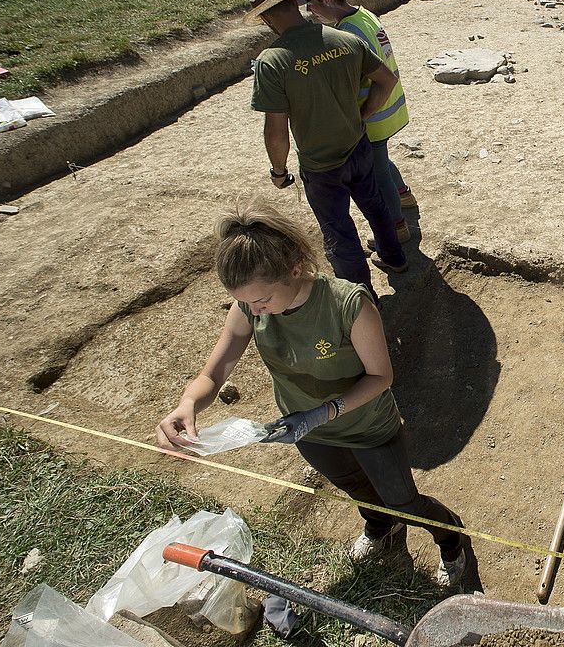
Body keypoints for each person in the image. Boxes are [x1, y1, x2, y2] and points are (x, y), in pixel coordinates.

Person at [154, 205, 469, 587]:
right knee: (356, 489)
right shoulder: (249, 309)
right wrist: (188, 403)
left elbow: (381, 376)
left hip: (367, 428)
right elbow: (214, 373)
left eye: (262, 300)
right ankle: (380, 527)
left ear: (295, 270)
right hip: (308, 433)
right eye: (247, 304)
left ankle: (452, 538)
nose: (255, 312)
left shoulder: (349, 305)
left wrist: (323, 412)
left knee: (405, 503)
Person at [244, 0, 408, 283]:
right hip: (358, 147)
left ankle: (361, 300)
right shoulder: (345, 39)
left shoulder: (272, 62)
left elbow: (276, 132)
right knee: (376, 207)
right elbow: (387, 80)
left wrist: (278, 172)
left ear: (265, 18)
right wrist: (362, 115)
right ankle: (395, 258)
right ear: (295, 0)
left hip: (321, 165)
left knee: (339, 231)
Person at [298, 0, 417, 253]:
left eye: (311, 5)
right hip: (391, 108)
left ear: (326, 0)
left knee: (377, 173)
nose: (311, 13)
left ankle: (397, 226)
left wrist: (356, 116)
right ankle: (404, 195)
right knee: (382, 161)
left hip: (373, 113)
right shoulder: (363, 15)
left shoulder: (347, 32)